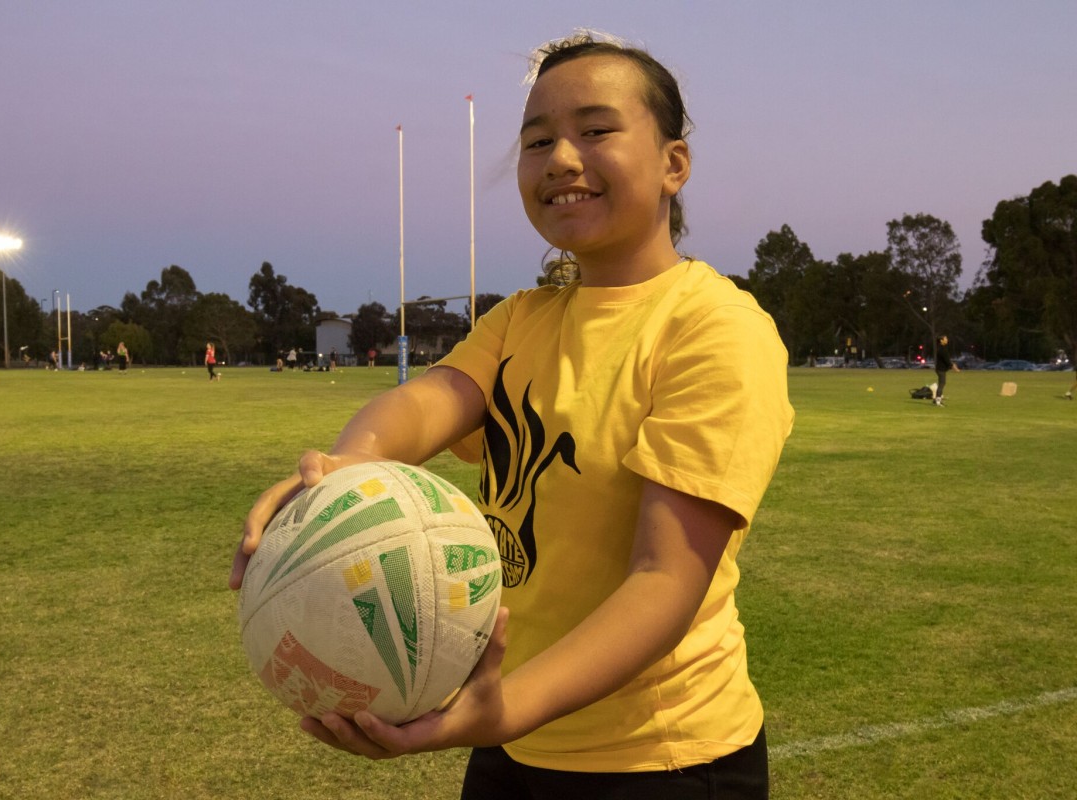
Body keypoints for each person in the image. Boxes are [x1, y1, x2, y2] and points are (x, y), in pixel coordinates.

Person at [231, 31, 792, 799]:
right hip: (516, 745)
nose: (561, 158)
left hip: (661, 761)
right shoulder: (522, 320)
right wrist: (344, 470)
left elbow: (663, 581)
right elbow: (426, 403)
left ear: (674, 164)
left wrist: (500, 712)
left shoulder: (713, 329)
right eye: (537, 140)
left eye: (595, 130)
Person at [933, 335, 959, 406]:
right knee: (942, 384)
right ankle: (938, 401)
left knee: (941, 384)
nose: (947, 340)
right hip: (940, 369)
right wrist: (954, 368)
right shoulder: (942, 349)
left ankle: (936, 400)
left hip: (940, 369)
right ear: (941, 340)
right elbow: (947, 360)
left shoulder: (942, 348)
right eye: (945, 338)